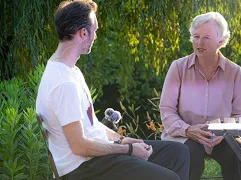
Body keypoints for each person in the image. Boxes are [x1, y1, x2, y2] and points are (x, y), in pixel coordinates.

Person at [36, 1, 189, 179]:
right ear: (83, 33)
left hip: (96, 158)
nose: (95, 36)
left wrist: (122, 139)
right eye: (95, 31)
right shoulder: (63, 83)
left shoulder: (72, 71)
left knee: (178, 152)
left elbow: (91, 125)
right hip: (84, 169)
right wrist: (129, 150)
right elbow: (79, 146)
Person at [160, 12, 241, 180]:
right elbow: (167, 109)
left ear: (221, 42)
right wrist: (187, 129)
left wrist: (223, 133)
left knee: (237, 152)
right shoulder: (178, 68)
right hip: (184, 134)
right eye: (196, 36)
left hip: (222, 136)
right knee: (189, 155)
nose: (199, 43)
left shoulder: (234, 71)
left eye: (206, 38)